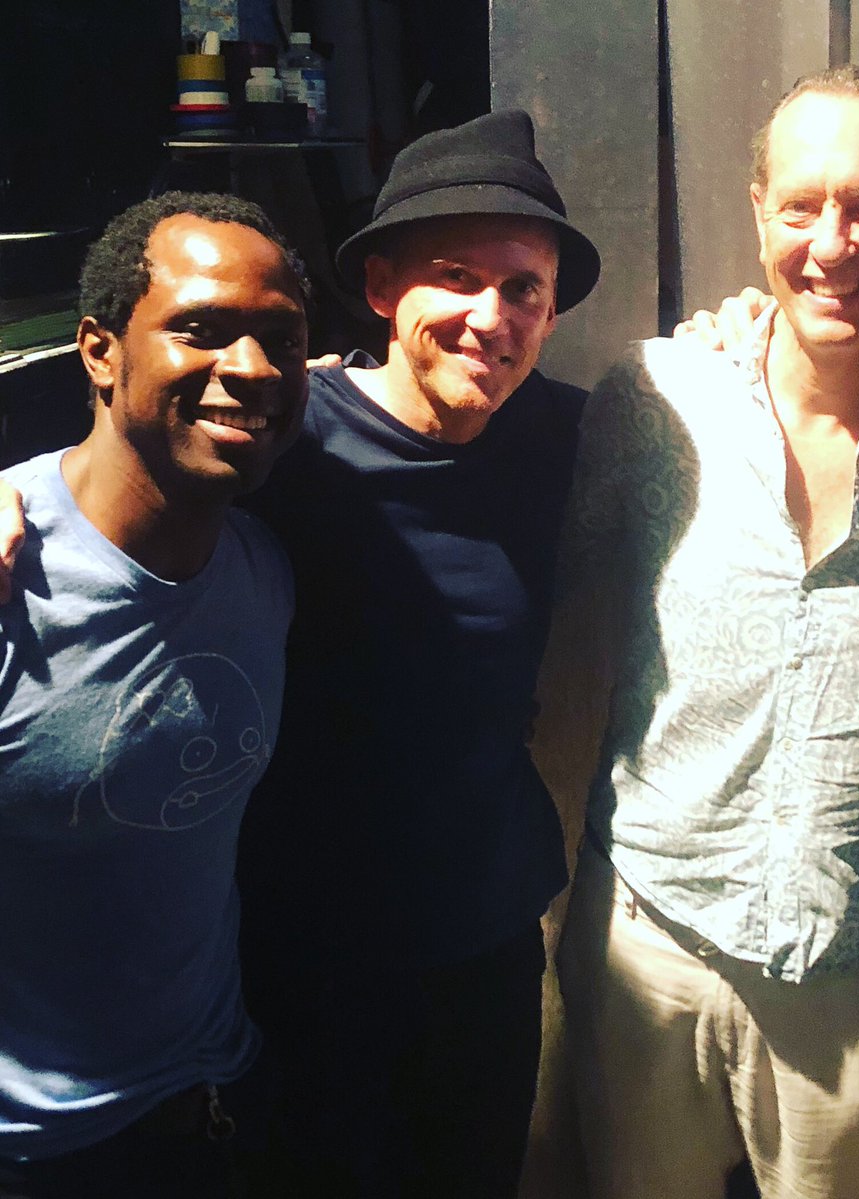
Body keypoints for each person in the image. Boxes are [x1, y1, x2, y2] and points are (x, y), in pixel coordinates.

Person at [550, 64, 859, 1199]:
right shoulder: (654, 400)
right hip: (648, 953)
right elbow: (530, 565)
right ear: (759, 210)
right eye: (803, 204)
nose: (833, 243)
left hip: (852, 975)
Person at [231, 108, 601, 1197]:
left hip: (485, 946)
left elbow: (751, 404)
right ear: (384, 288)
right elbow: (117, 467)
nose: (492, 317)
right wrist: (22, 491)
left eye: (524, 287)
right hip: (301, 958)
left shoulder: (564, 433)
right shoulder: (280, 439)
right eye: (456, 276)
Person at [0, 191, 309, 1198]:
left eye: (279, 338)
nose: (252, 368)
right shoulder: (11, 573)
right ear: (99, 350)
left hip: (216, 1102)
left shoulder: (262, 559)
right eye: (203, 329)